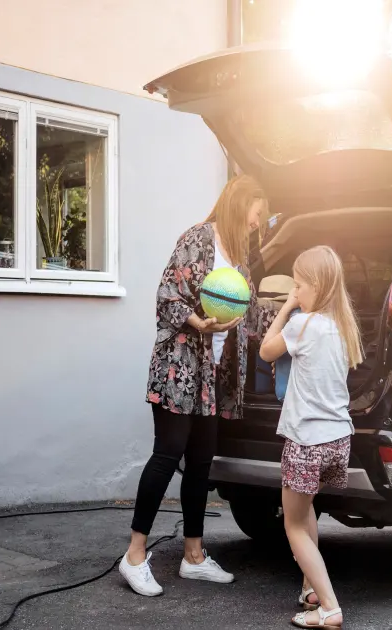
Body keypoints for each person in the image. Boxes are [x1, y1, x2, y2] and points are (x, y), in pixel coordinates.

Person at [120, 174, 268, 597]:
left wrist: (300, 309)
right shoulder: (198, 238)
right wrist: (195, 320)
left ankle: (194, 557)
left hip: (210, 379)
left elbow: (253, 313)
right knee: (167, 457)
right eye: (258, 215)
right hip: (178, 370)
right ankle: (134, 557)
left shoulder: (239, 260)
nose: (258, 224)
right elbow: (167, 294)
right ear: (242, 206)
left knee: (201, 464)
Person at [259, 245, 363, 629]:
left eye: (299, 285)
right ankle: (311, 589)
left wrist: (285, 308)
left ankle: (330, 607)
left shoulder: (303, 324)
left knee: (292, 524)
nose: (296, 292)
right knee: (306, 515)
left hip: (306, 442)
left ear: (317, 286)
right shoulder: (342, 326)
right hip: (338, 439)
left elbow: (266, 351)